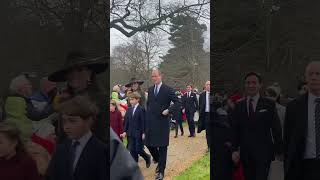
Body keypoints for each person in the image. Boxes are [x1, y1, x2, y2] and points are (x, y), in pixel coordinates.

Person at [231, 72, 283, 180]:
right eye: (248, 83)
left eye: (254, 83)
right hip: (245, 154)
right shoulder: (239, 105)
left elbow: (276, 128)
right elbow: (235, 129)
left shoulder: (268, 104)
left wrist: (279, 150)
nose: (251, 85)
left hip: (264, 153)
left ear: (260, 85)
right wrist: (234, 149)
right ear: (244, 85)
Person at [48, 50, 108, 144]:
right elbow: (62, 136)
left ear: (89, 73)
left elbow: (104, 136)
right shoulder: (64, 100)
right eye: (70, 71)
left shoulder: (101, 100)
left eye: (80, 70)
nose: (74, 74)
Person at [46, 95, 107, 180]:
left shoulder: (102, 151)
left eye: (72, 121)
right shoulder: (61, 149)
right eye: (64, 121)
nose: (66, 126)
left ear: (89, 121)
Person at [284, 61, 320, 180]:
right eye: (310, 74)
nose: (314, 77)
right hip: (305, 167)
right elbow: (288, 140)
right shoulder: (294, 107)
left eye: (318, 74)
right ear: (306, 78)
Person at [145, 68, 180, 180]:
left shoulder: (168, 90)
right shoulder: (150, 90)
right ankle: (158, 160)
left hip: (162, 123)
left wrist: (169, 110)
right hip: (151, 122)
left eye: (156, 76)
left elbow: (178, 102)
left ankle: (161, 171)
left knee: (163, 147)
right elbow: (149, 105)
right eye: (152, 76)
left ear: (161, 76)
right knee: (149, 144)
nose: (154, 78)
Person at [120, 92, 151, 168]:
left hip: (139, 133)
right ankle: (135, 166)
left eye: (132, 99)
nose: (131, 101)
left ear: (137, 100)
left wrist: (144, 132)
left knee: (139, 149)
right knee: (132, 150)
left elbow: (144, 122)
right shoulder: (129, 109)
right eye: (130, 100)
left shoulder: (141, 109)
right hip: (130, 133)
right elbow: (126, 122)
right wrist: (124, 131)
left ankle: (147, 157)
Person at [5, 75, 33, 143]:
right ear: (21, 88)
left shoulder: (10, 100)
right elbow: (37, 116)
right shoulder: (21, 100)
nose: (31, 86)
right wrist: (53, 106)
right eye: (28, 84)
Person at [197, 81, 211, 150]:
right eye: (207, 84)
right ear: (205, 86)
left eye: (210, 84)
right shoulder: (202, 95)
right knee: (208, 131)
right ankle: (209, 147)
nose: (209, 86)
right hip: (206, 115)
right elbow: (200, 106)